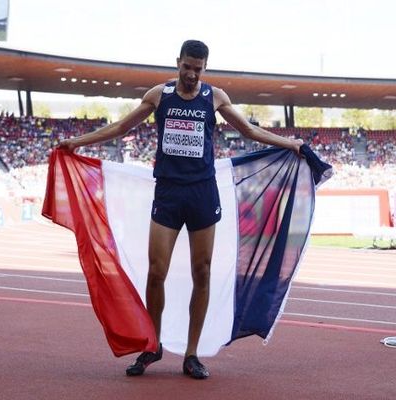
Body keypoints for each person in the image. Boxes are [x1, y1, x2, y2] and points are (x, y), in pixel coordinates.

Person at [57, 39, 303, 379]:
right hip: (169, 193)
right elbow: (121, 127)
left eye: (197, 69)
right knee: (156, 271)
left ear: (205, 68)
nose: (190, 74)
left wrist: (289, 143)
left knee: (201, 273)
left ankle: (192, 354)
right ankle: (151, 345)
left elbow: (247, 129)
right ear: (178, 63)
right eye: (186, 67)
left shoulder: (214, 97)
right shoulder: (160, 95)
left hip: (202, 193)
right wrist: (78, 142)